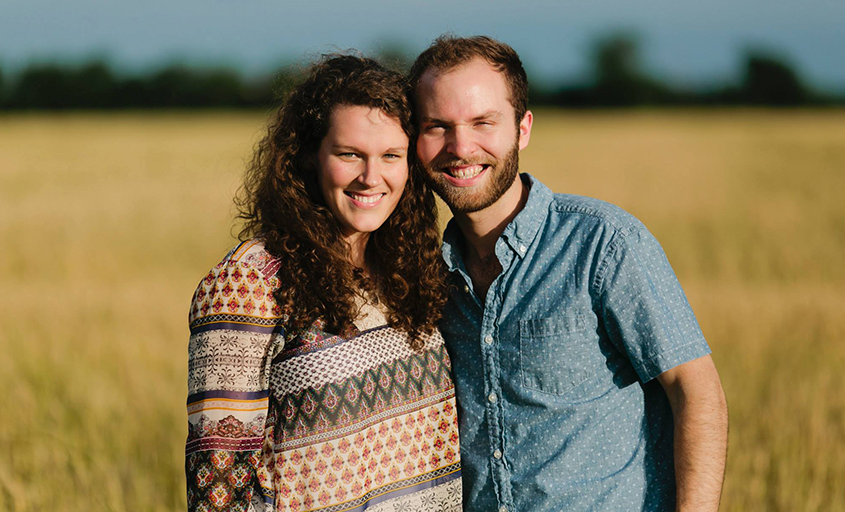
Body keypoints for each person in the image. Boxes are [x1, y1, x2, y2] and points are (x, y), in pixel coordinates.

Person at [408, 35, 729, 512]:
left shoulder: (603, 244)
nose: (460, 146)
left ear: (523, 129)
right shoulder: (425, 277)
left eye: (483, 122)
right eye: (438, 125)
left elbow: (697, 392)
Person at [186, 55, 462, 512]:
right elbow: (219, 493)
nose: (371, 178)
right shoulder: (247, 283)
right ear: (311, 157)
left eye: (391, 156)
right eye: (349, 154)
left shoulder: (413, 270)